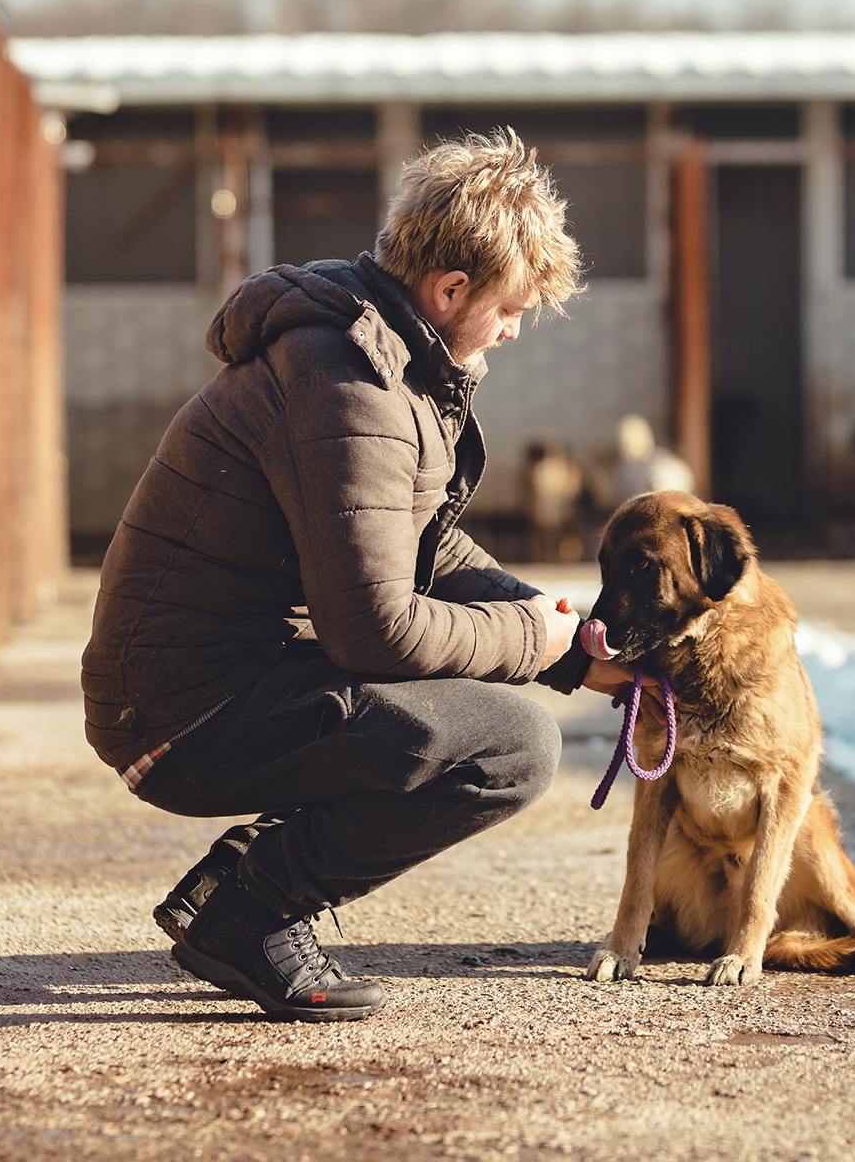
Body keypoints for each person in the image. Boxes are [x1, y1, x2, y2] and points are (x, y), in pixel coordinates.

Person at [80, 129, 633, 1021]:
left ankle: (241, 889)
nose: (515, 327)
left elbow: (422, 545)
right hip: (186, 716)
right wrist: (537, 645)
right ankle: (252, 914)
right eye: (511, 306)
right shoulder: (351, 385)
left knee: (492, 718)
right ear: (449, 290)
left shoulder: (374, 355)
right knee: (510, 747)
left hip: (211, 686)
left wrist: (556, 633)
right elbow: (376, 627)